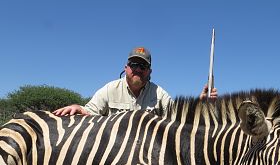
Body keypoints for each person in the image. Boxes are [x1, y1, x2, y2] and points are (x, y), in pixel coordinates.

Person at [53, 47, 218, 117]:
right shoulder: (110, 89)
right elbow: (89, 111)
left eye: (143, 66)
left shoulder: (159, 94)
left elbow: (178, 116)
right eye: (134, 65)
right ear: (126, 68)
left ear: (150, 71)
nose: (138, 69)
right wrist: (78, 108)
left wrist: (201, 104)